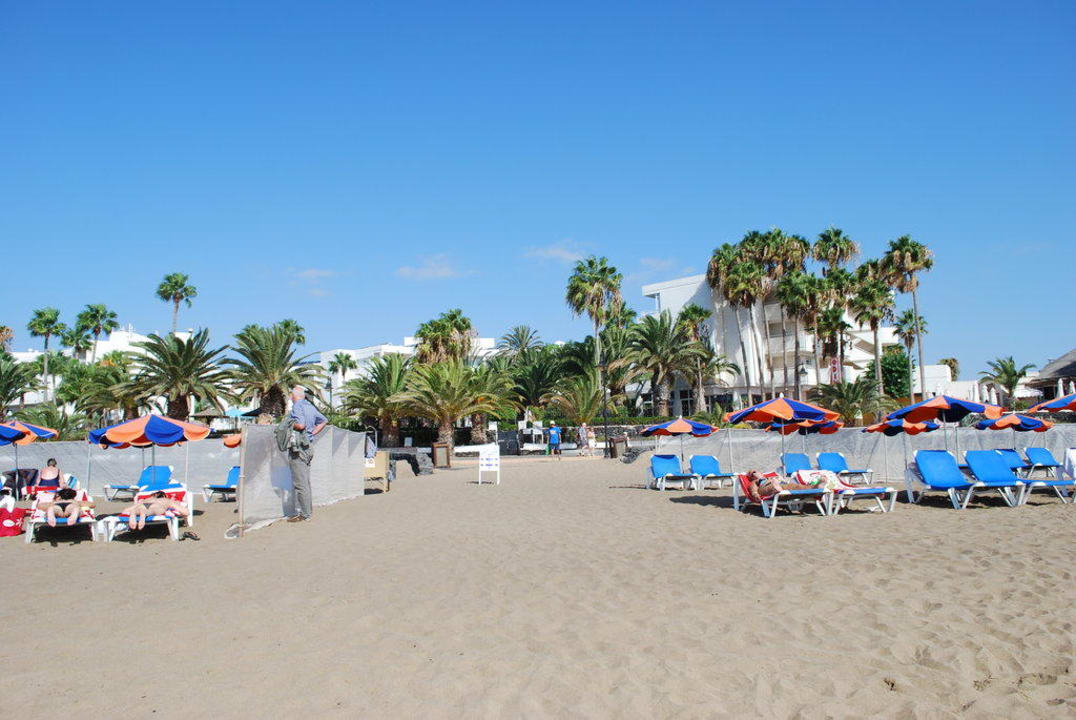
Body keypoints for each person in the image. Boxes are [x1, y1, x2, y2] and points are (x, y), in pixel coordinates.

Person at [285, 385, 327, 523]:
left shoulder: (297, 406)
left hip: (299, 448)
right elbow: (324, 420)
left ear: (293, 396)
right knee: (305, 481)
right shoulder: (310, 406)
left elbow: (301, 425)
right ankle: (307, 511)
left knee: (300, 483)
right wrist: (312, 433)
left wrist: (288, 423)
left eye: (291, 395)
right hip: (308, 446)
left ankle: (305, 514)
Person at [121, 491, 190, 531]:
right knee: (153, 510)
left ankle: (134, 512)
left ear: (154, 495)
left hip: (145, 504)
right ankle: (144, 513)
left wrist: (130, 510)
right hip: (159, 505)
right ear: (164, 496)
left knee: (140, 507)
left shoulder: (147, 499)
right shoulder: (167, 500)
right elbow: (186, 512)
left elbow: (125, 511)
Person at [744, 469, 820, 497]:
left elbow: (781, 480)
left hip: (780, 485)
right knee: (772, 487)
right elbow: (753, 490)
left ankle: (813, 487)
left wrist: (780, 479)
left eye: (756, 472)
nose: (756, 474)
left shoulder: (768, 478)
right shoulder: (754, 482)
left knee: (794, 486)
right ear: (752, 477)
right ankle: (775, 487)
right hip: (763, 488)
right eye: (753, 474)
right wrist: (756, 495)